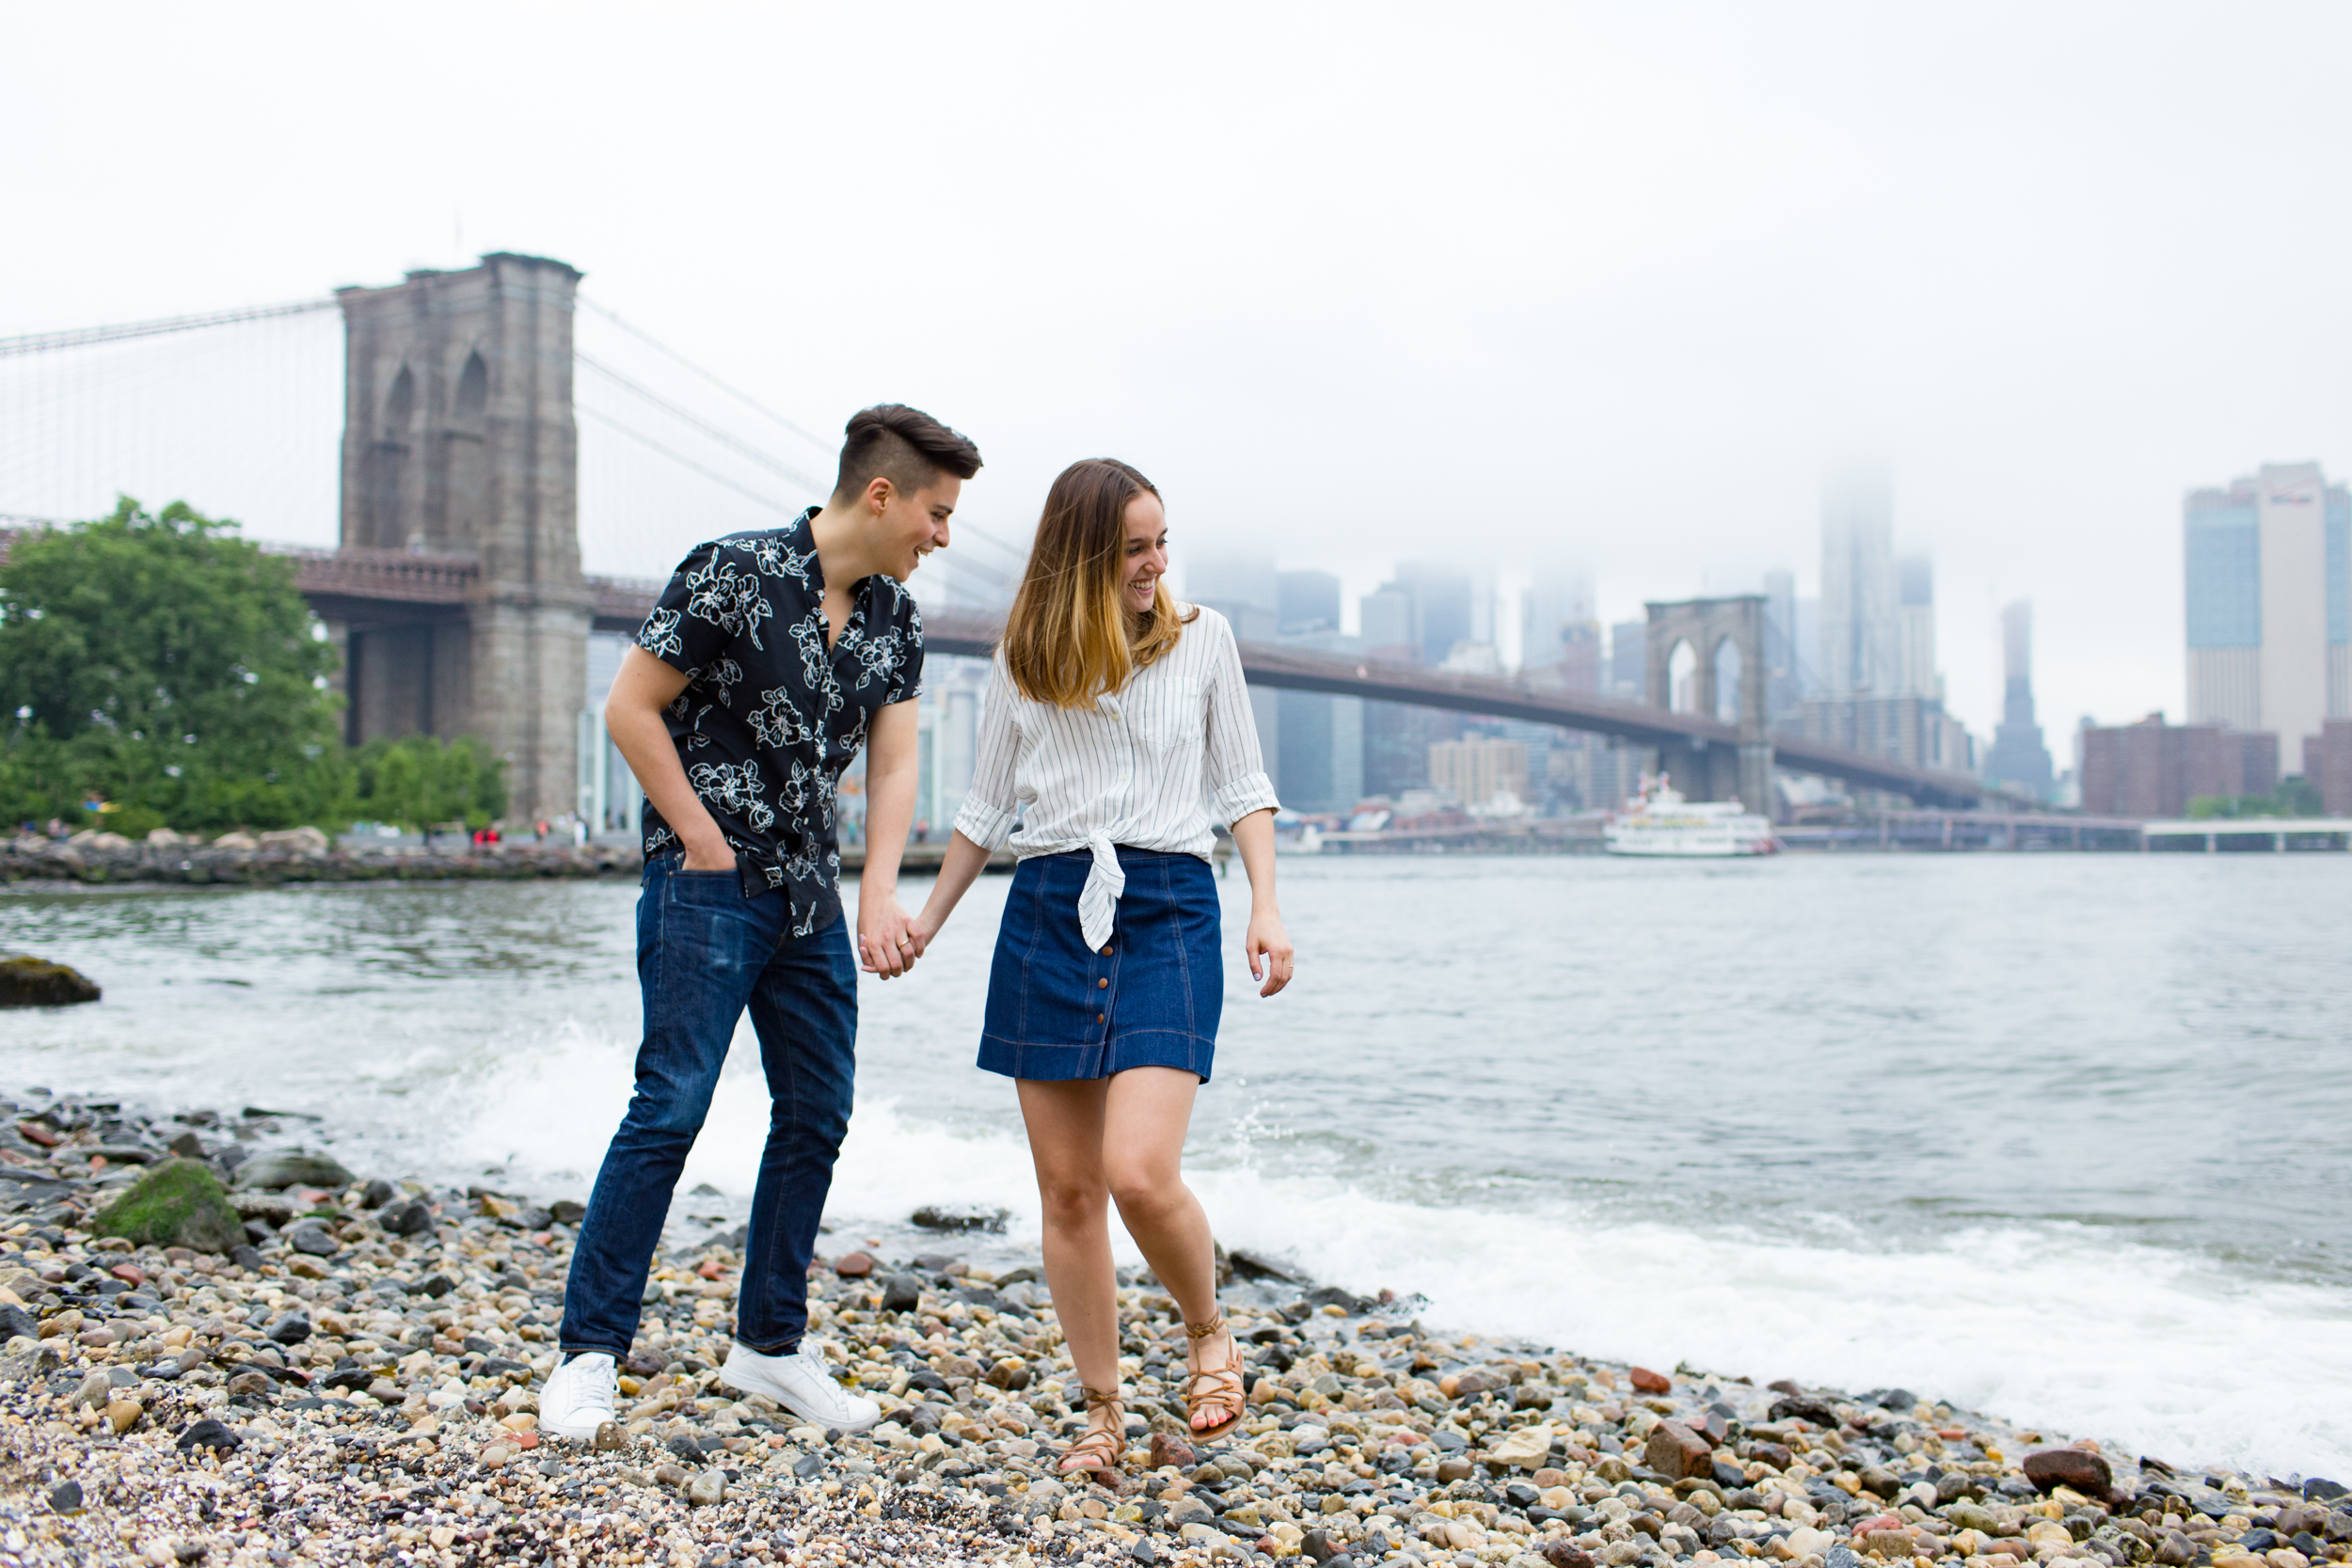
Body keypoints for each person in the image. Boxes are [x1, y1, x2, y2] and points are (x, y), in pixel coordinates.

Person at [538, 404, 983, 1440]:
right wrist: (699, 838)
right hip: (707, 885)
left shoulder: (895, 619)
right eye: (937, 512)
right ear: (881, 495)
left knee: (817, 1113)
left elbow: (896, 759)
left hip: (811, 897)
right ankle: (588, 1352)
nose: (943, 536)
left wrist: (878, 888)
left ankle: (769, 1347)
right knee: (670, 1107)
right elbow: (629, 707)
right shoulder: (729, 569)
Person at [906, 457, 1295, 1480]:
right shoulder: (1026, 655)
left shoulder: (1203, 637)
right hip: (1047, 909)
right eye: (1134, 547)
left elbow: (1243, 780)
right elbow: (985, 810)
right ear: (1084, 555)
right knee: (1070, 1191)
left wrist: (1265, 902)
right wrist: (927, 921)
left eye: (1162, 541)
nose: (1156, 562)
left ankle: (1208, 1329)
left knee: (1137, 1169)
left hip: (1169, 904)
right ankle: (1101, 1408)